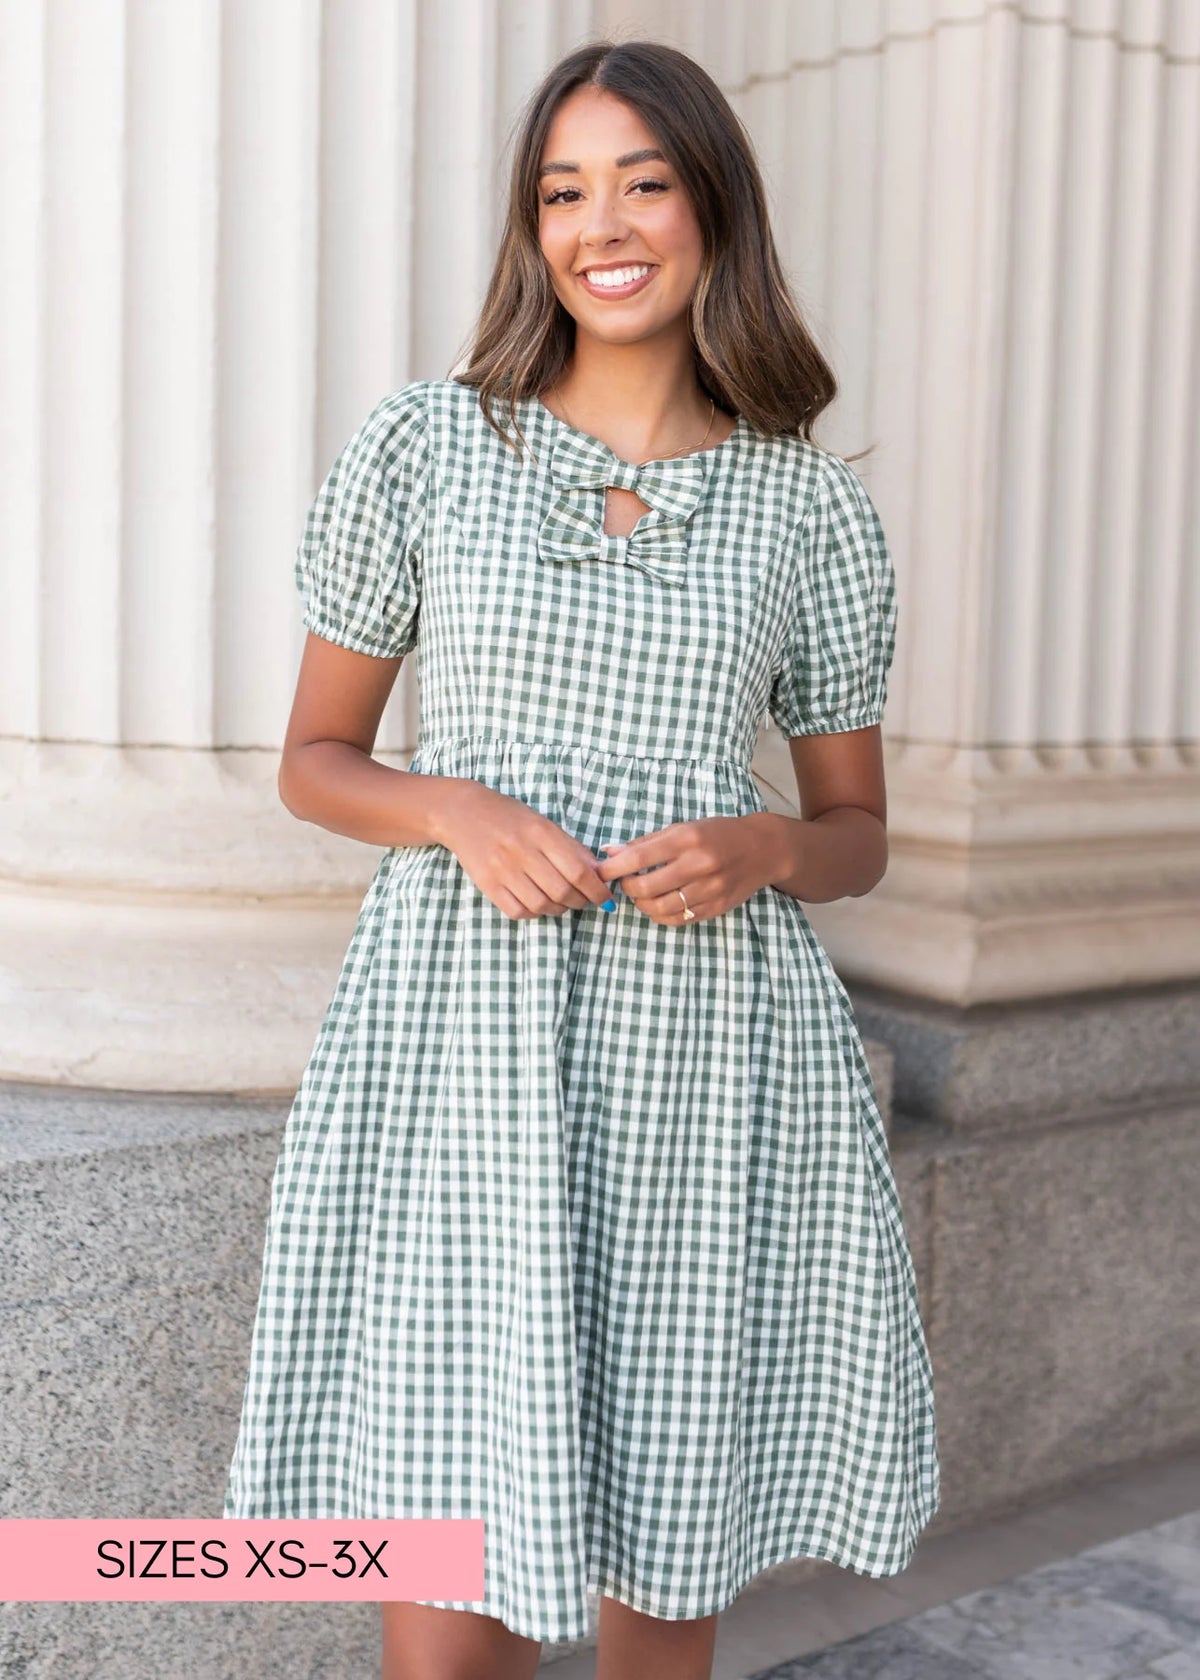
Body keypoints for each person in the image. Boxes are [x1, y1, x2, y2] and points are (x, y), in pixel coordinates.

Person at [222, 37, 940, 1680]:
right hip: (463, 1045)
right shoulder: (426, 446)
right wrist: (453, 808)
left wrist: (766, 843)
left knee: (658, 1560)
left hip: (704, 1060)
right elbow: (314, 762)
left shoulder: (809, 511)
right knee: (448, 1572)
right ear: (531, 228)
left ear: (713, 209)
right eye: (562, 192)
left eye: (643, 182)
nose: (600, 226)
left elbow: (857, 837)